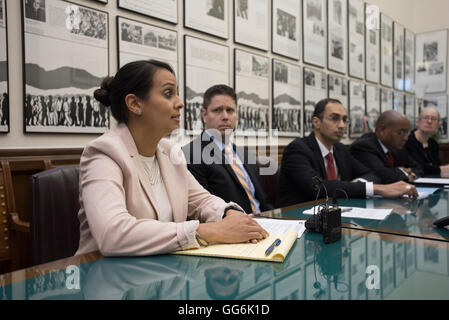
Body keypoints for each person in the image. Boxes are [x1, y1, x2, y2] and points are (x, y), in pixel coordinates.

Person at [75, 60, 268, 257]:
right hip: (106, 276)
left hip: (160, 272)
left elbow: (201, 201)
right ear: (134, 104)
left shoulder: (170, 152)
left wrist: (229, 214)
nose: (180, 103)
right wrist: (208, 231)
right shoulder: (104, 152)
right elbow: (112, 234)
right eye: (169, 94)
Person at [277, 99, 417, 207]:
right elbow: (319, 189)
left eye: (344, 119)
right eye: (334, 118)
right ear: (316, 122)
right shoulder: (297, 149)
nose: (342, 125)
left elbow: (372, 175)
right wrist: (378, 189)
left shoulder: (340, 149)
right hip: (296, 219)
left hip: (335, 214)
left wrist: (352, 187)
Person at [182, 84, 274, 214]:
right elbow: (203, 210)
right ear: (204, 115)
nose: (225, 116)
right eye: (217, 110)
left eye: (230, 110)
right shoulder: (191, 154)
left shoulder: (246, 155)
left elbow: (262, 201)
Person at [350, 110, 424, 184]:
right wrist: (403, 172)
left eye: (407, 133)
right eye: (401, 132)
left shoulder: (396, 147)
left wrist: (400, 172)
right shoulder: (364, 146)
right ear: (382, 130)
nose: (406, 138)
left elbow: (418, 168)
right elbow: (382, 176)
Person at [405, 107, 449, 176]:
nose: (429, 121)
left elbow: (437, 165)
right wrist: (442, 169)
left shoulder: (433, 144)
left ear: (438, 125)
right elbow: (418, 168)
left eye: (433, 119)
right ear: (417, 122)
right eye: (426, 118)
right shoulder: (407, 142)